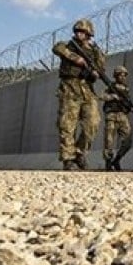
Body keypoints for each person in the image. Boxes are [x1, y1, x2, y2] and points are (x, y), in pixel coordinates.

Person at [52, 19, 105, 171]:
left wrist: (95, 71)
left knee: (93, 122)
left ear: (89, 33)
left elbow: (100, 67)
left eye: (82, 31)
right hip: (70, 87)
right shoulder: (68, 45)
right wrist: (77, 59)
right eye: (77, 31)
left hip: (87, 88)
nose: (78, 34)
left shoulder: (95, 50)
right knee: (67, 124)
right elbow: (57, 48)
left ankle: (80, 153)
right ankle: (68, 159)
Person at [101, 66, 133, 171]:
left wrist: (131, 108)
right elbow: (102, 96)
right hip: (111, 116)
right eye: (121, 75)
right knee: (109, 141)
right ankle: (108, 163)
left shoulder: (125, 89)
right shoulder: (111, 87)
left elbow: (127, 102)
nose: (123, 77)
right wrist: (112, 97)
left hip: (122, 116)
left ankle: (117, 160)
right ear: (116, 76)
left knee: (128, 140)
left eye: (124, 75)